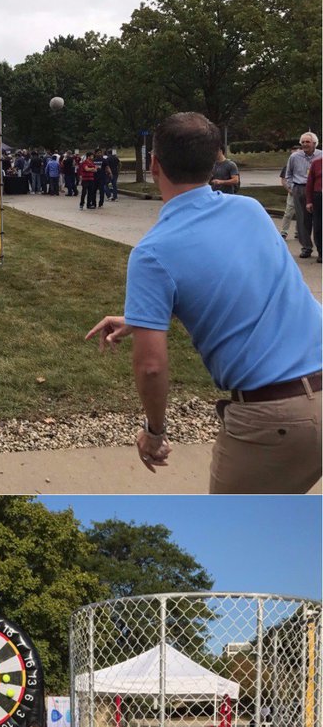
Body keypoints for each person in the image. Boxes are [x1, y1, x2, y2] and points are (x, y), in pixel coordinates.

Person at [86, 112, 322, 493]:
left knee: (240, 540)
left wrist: (154, 432)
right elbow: (239, 280)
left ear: (154, 163)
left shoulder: (153, 252)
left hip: (274, 419)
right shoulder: (251, 211)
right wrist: (144, 317)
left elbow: (150, 366)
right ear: (216, 159)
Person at [285, 132, 318, 258]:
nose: (304, 144)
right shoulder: (294, 157)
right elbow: (288, 174)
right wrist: (293, 188)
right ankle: (306, 247)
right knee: (303, 221)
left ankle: (320, 247)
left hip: (317, 191)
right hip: (300, 189)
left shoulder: (321, 156)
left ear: (314, 143)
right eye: (303, 142)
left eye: (307, 142)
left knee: (319, 220)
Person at [306, 150, 322, 264]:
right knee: (318, 226)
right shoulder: (316, 163)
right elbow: (310, 183)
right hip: (319, 197)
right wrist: (309, 201)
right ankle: (321, 252)